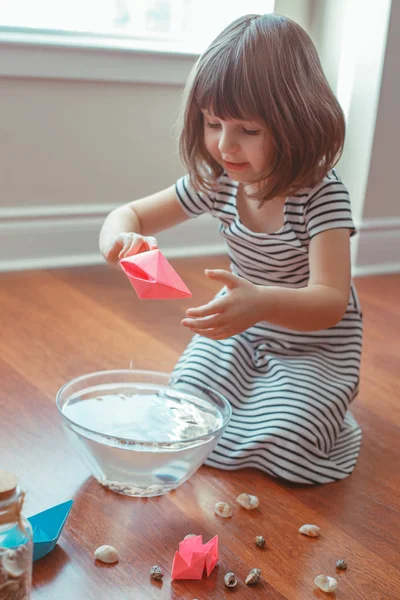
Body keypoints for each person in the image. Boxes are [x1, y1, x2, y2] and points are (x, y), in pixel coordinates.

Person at [99, 13, 363, 485]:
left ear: (298, 123)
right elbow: (130, 215)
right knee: (183, 405)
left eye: (249, 130)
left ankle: (305, 413)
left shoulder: (322, 196)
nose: (225, 145)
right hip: (239, 329)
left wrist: (261, 302)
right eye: (213, 123)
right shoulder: (217, 182)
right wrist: (121, 242)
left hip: (316, 346)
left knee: (293, 440)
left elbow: (329, 302)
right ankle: (253, 402)